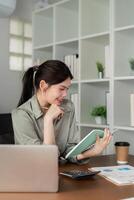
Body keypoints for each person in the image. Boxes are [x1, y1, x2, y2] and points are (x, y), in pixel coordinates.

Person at [12, 60, 112, 164]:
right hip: (33, 174)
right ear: (43, 85)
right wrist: (48, 120)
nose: (65, 94)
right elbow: (45, 160)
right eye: (61, 89)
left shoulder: (68, 107)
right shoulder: (21, 115)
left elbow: (69, 150)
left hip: (61, 171)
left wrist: (92, 152)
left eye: (67, 89)